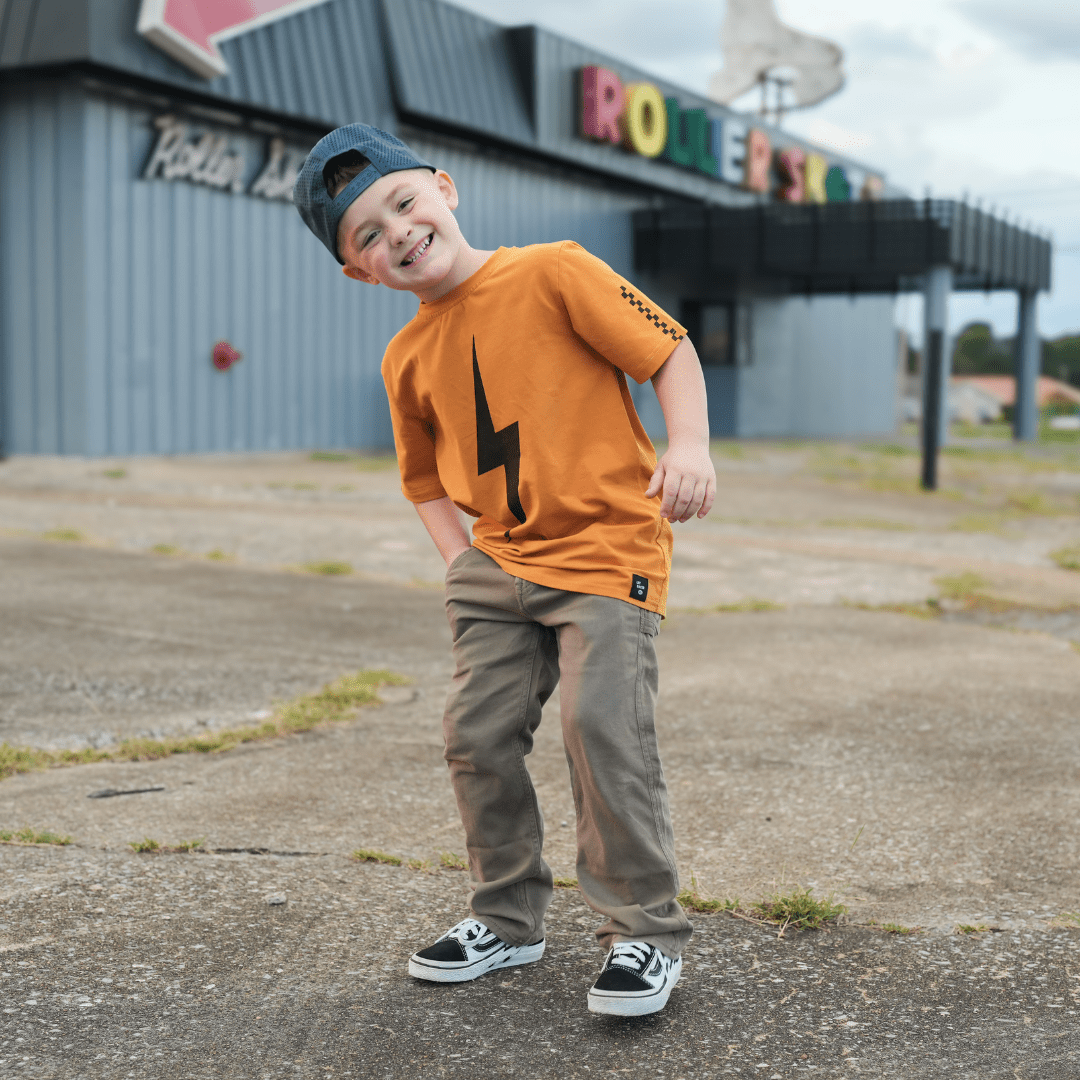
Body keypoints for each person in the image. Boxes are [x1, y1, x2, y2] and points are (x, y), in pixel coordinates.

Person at [294, 124, 715, 1017]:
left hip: (604, 551)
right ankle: (509, 919)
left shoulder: (553, 270)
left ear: (444, 188)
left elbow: (668, 350)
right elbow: (421, 480)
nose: (397, 232)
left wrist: (690, 447)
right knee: (475, 737)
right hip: (497, 570)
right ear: (358, 272)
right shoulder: (403, 357)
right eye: (367, 235)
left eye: (402, 203)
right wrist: (461, 563)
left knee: (601, 730)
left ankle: (644, 931)